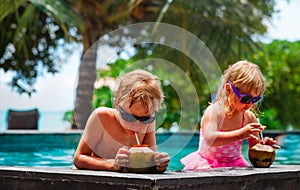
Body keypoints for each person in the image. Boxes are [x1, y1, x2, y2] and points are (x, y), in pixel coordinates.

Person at [181, 60, 279, 170]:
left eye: (255, 99)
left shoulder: (249, 118)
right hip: (206, 162)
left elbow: (254, 150)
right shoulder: (215, 112)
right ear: (228, 89)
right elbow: (210, 139)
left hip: (235, 163)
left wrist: (263, 146)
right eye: (245, 98)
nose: (250, 104)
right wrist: (241, 134)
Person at [73, 69, 170, 172]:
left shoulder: (149, 123)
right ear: (116, 105)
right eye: (129, 117)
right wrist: (112, 165)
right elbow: (79, 158)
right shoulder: (102, 118)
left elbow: (148, 163)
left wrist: (158, 164)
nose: (136, 125)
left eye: (145, 119)